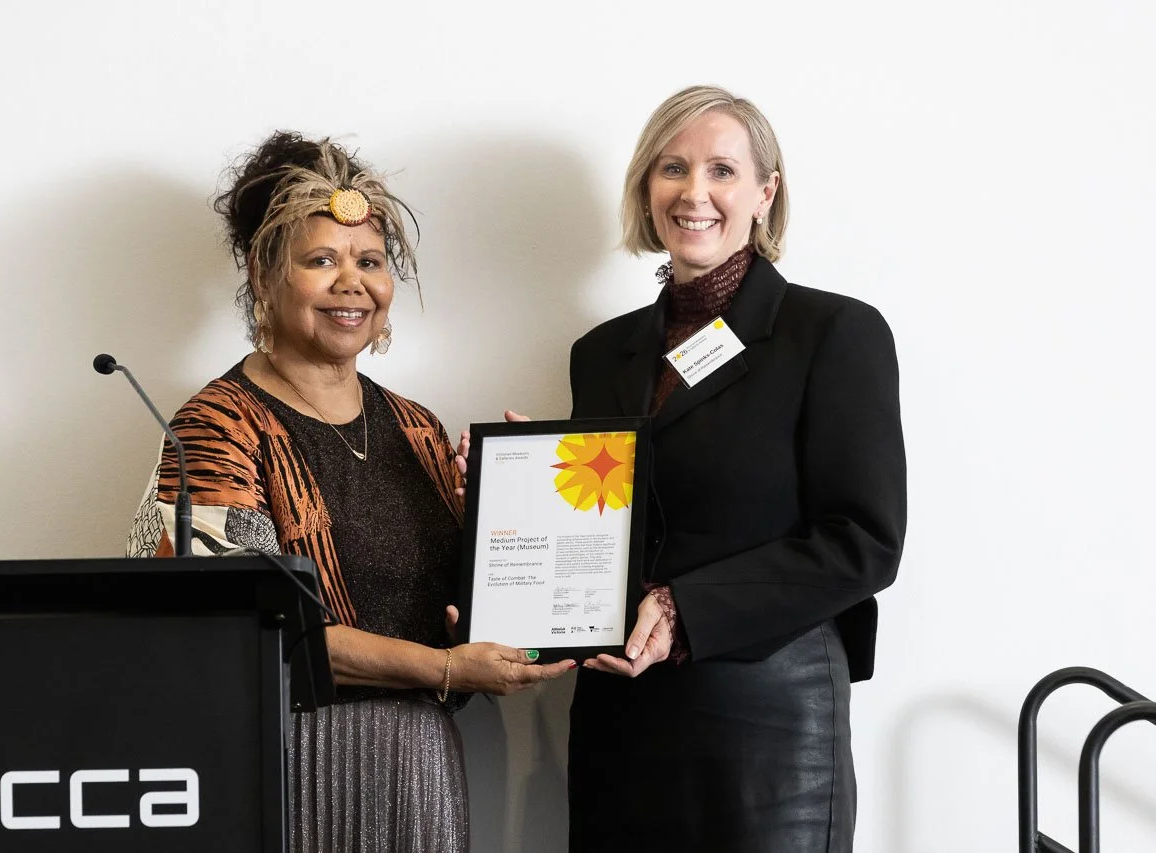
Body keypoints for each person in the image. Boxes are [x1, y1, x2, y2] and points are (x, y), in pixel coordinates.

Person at [127, 131, 573, 853]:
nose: (351, 282)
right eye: (321, 260)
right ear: (263, 273)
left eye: (369, 261)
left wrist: (514, 511)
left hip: (422, 764)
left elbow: (465, 601)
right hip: (284, 760)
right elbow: (249, 628)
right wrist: (444, 668)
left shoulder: (417, 428)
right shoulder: (215, 428)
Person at [561, 85, 907, 851]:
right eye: (672, 168)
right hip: (620, 720)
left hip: (768, 724)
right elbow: (602, 530)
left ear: (764, 193)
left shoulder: (832, 333)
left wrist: (683, 607)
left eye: (721, 170)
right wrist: (521, 494)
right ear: (645, 189)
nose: (694, 192)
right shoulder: (601, 354)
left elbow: (862, 540)